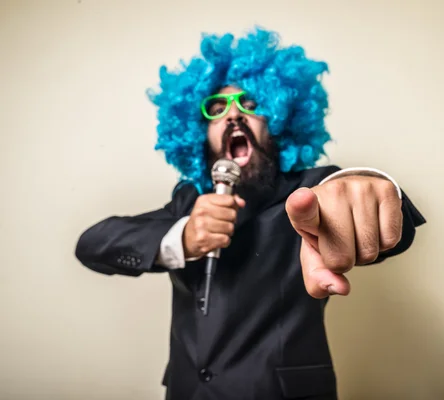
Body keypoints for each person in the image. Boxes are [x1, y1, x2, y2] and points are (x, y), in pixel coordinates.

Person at [75, 27, 426, 400]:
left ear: (279, 120)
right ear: (197, 133)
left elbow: (359, 202)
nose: (234, 116)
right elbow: (93, 244)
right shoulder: (186, 203)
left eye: (251, 104)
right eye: (216, 108)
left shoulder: (309, 191)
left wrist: (371, 189)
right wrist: (183, 237)